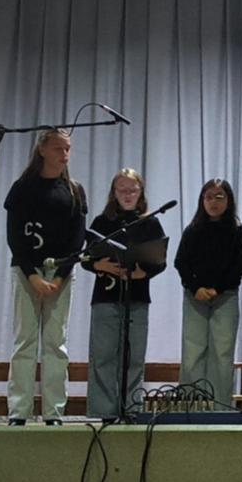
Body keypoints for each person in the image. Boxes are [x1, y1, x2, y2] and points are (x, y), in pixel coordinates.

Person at [3, 128, 87, 425]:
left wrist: (60, 277)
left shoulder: (73, 190)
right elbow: (15, 236)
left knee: (55, 343)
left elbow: (77, 240)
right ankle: (19, 411)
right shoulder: (23, 188)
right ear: (42, 150)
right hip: (27, 271)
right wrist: (32, 275)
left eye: (68, 149)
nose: (64, 154)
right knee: (25, 340)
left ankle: (54, 411)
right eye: (58, 148)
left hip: (60, 273)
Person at [83, 168, 167, 420]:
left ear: (141, 192)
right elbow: (86, 257)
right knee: (103, 355)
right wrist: (99, 265)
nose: (128, 195)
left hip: (137, 296)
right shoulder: (102, 222)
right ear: (114, 192)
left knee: (134, 356)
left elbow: (160, 260)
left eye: (133, 190)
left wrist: (143, 273)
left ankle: (131, 409)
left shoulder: (150, 222)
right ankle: (104, 411)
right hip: (106, 296)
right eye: (122, 190)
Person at [175, 179, 242, 408]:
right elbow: (181, 263)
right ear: (202, 201)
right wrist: (196, 288)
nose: (214, 202)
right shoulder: (192, 230)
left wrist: (217, 288)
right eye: (209, 197)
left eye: (219, 196)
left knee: (222, 353)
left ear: (229, 201)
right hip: (195, 297)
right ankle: (190, 408)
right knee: (192, 352)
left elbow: (241, 265)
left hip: (225, 297)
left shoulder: (237, 231)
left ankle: (219, 408)